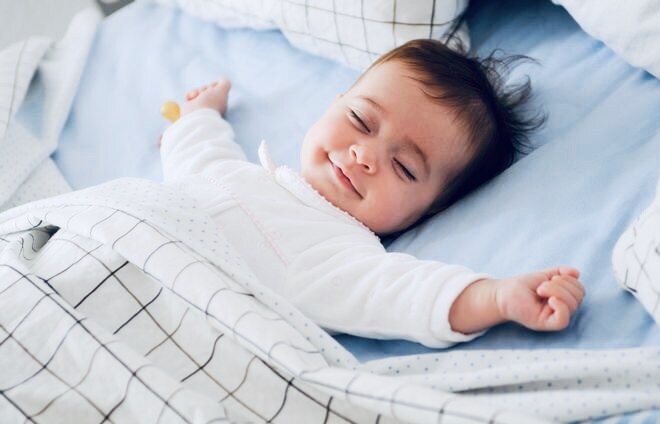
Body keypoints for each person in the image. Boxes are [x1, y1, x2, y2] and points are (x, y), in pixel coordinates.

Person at [160, 39, 585, 348]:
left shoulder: (338, 253)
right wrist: (200, 114)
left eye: (404, 167)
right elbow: (198, 152)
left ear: (430, 209)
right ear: (336, 101)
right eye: (361, 120)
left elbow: (406, 295)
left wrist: (497, 297)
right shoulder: (234, 174)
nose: (364, 156)